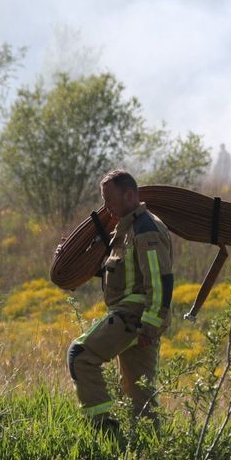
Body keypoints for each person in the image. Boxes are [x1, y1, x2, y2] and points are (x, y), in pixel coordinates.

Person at [66, 169, 174, 430]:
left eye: (110, 200)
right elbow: (123, 274)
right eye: (103, 200)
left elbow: (160, 280)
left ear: (129, 195)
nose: (106, 207)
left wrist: (150, 324)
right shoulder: (127, 228)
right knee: (140, 396)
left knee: (80, 355)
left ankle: (104, 431)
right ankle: (150, 455)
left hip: (134, 316)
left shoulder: (145, 229)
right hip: (137, 318)